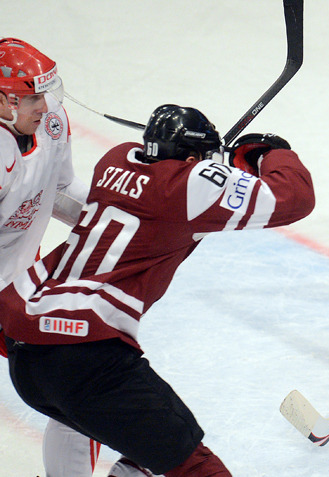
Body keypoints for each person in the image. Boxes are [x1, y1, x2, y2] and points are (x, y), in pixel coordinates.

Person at [0, 103, 315, 475]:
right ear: (196, 159)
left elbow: (168, 201)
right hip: (87, 356)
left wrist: (222, 177)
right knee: (197, 467)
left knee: (133, 444)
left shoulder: (114, 160)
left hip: (28, 352)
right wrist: (270, 153)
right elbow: (295, 196)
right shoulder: (189, 187)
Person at [0, 37, 115, 476]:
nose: (45, 105)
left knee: (82, 388)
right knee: (82, 385)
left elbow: (59, 190)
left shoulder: (49, 123)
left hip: (18, 284)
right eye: (31, 96)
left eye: (47, 92)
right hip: (8, 295)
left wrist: (127, 218)